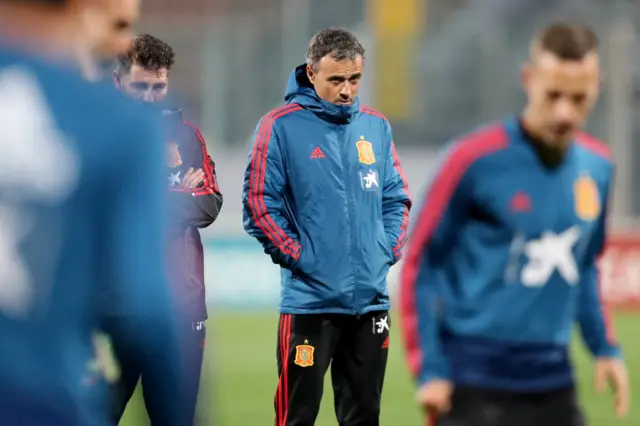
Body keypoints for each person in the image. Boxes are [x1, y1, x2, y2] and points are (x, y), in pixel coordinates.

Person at [399, 22, 630, 426]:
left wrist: (603, 346)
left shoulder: (598, 167)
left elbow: (585, 265)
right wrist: (430, 368)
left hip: (553, 381)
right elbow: (421, 264)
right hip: (472, 383)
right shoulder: (471, 160)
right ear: (529, 79)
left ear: (597, 86)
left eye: (578, 98)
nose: (564, 111)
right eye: (553, 94)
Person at [0, 0, 180, 425]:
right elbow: (152, 314)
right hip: (39, 400)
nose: (123, 41)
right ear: (81, 9)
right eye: (118, 23)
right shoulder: (115, 124)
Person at [242, 27, 411, 426]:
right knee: (296, 416)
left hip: (371, 304)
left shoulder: (375, 126)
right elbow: (259, 204)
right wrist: (303, 258)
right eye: (336, 80)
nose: (347, 90)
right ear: (312, 72)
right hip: (310, 305)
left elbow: (396, 198)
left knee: (364, 416)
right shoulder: (278, 126)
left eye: (354, 79)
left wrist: (384, 250)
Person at [106, 33, 223, 425]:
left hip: (180, 307)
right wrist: (175, 191)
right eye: (141, 86)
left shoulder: (187, 136)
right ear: (118, 79)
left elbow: (208, 205)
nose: (151, 97)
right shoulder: (96, 132)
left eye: (159, 87)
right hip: (112, 307)